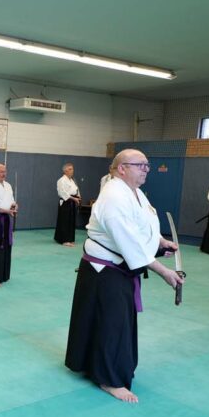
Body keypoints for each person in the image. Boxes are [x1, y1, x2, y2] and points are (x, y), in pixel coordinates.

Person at [64, 149, 184, 403]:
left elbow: (141, 226)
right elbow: (127, 241)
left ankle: (94, 363)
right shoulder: (114, 196)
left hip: (119, 266)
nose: (146, 169)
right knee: (112, 323)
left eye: (147, 165)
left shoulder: (135, 192)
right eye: (140, 165)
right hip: (105, 270)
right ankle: (109, 379)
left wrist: (160, 241)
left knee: (111, 321)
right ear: (122, 168)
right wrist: (163, 271)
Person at [54, 162, 81, 247]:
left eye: (72, 169)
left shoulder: (72, 180)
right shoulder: (61, 180)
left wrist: (78, 197)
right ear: (65, 171)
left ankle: (70, 239)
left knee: (71, 221)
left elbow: (75, 190)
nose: (72, 171)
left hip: (73, 201)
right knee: (64, 221)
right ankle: (64, 240)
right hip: (65, 202)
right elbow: (62, 192)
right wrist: (73, 198)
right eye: (70, 169)